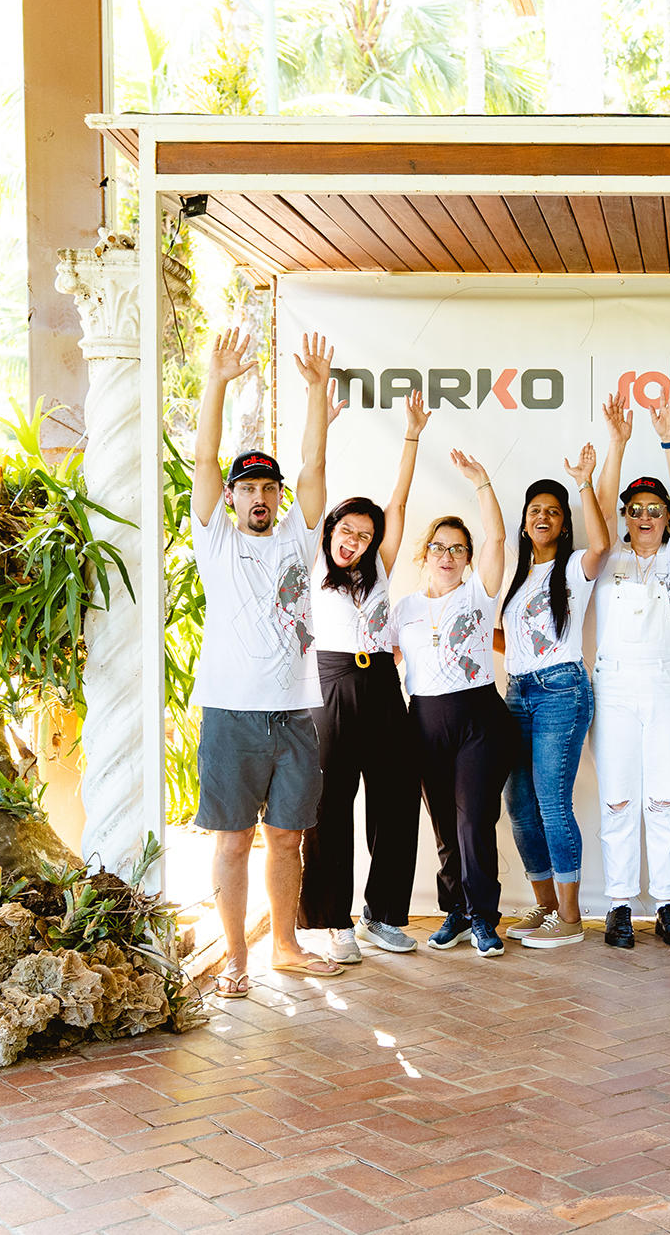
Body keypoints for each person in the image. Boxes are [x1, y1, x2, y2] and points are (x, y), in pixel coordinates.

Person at [188, 327, 343, 997]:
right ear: (231, 497)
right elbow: (203, 458)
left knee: (286, 840)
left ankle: (283, 945)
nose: (259, 496)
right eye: (247, 487)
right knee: (230, 841)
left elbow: (314, 463)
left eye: (267, 488)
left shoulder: (297, 539)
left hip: (293, 716)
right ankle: (234, 959)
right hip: (231, 714)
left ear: (278, 497)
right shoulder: (215, 540)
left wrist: (316, 392)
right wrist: (217, 381)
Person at [299, 390, 430, 964]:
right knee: (331, 804)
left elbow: (398, 503)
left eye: (364, 536)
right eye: (346, 531)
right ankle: (334, 921)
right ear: (331, 529)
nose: (354, 542)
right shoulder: (310, 561)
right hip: (329, 683)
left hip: (379, 683)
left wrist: (412, 434)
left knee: (398, 797)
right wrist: (320, 421)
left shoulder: (377, 568)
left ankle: (382, 915)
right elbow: (314, 475)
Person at [590, 385, 670, 949]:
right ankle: (618, 904)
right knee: (618, 798)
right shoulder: (606, 555)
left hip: (668, 684)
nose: (644, 517)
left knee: (663, 798)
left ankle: (665, 904)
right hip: (613, 683)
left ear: (667, 519)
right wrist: (617, 444)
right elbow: (599, 508)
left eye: (654, 510)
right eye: (634, 510)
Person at [393, 451, 515, 958]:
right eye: (439, 547)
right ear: (424, 554)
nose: (447, 555)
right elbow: (384, 660)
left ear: (467, 558)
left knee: (473, 822)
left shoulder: (478, 596)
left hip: (478, 720)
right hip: (424, 721)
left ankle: (484, 917)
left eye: (458, 549)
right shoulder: (403, 609)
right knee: (445, 825)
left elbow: (498, 540)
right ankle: (457, 913)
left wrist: (483, 481)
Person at [497, 447, 610, 949]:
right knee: (519, 803)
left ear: (564, 524)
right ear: (525, 523)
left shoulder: (575, 569)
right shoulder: (519, 577)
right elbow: (513, 640)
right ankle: (544, 906)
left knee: (552, 802)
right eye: (535, 510)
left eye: (553, 512)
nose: (542, 517)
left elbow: (602, 544)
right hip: (516, 691)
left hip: (561, 690)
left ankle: (569, 917)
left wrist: (584, 481)